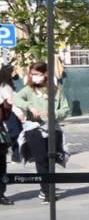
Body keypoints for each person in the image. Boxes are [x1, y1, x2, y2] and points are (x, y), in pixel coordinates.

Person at [11, 62, 69, 203]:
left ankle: (49, 187)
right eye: (32, 74)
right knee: (41, 159)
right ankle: (46, 191)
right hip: (33, 128)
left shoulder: (55, 90)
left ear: (45, 74)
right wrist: (30, 106)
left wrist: (52, 113)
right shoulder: (28, 90)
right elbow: (15, 99)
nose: (34, 77)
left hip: (52, 128)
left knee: (51, 159)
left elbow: (65, 109)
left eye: (37, 74)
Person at [0, 65, 14, 205]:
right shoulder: (5, 86)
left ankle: (1, 194)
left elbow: (7, 108)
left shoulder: (4, 86)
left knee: (1, 165)